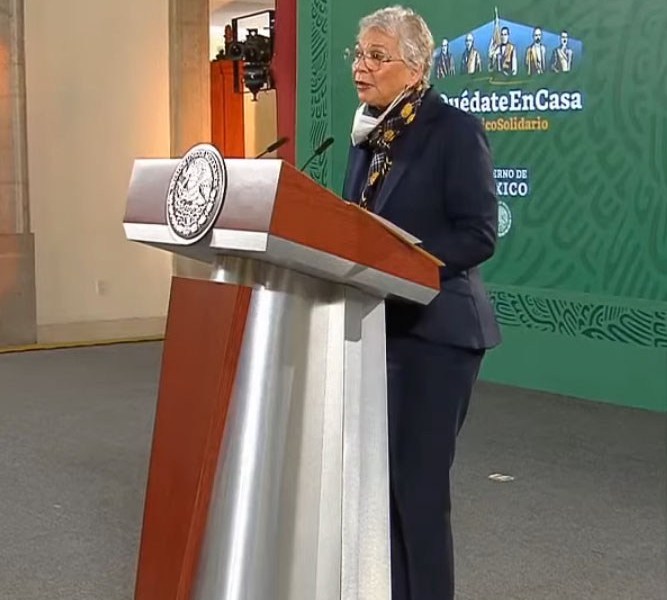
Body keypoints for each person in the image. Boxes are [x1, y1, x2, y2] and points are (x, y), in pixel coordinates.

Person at [342, 6, 501, 600]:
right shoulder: (368, 138)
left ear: (414, 68)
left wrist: (404, 263)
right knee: (382, 490)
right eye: (359, 54)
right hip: (377, 330)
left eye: (377, 56)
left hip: (438, 336)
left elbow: (478, 234)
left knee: (419, 491)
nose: (361, 66)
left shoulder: (453, 130)